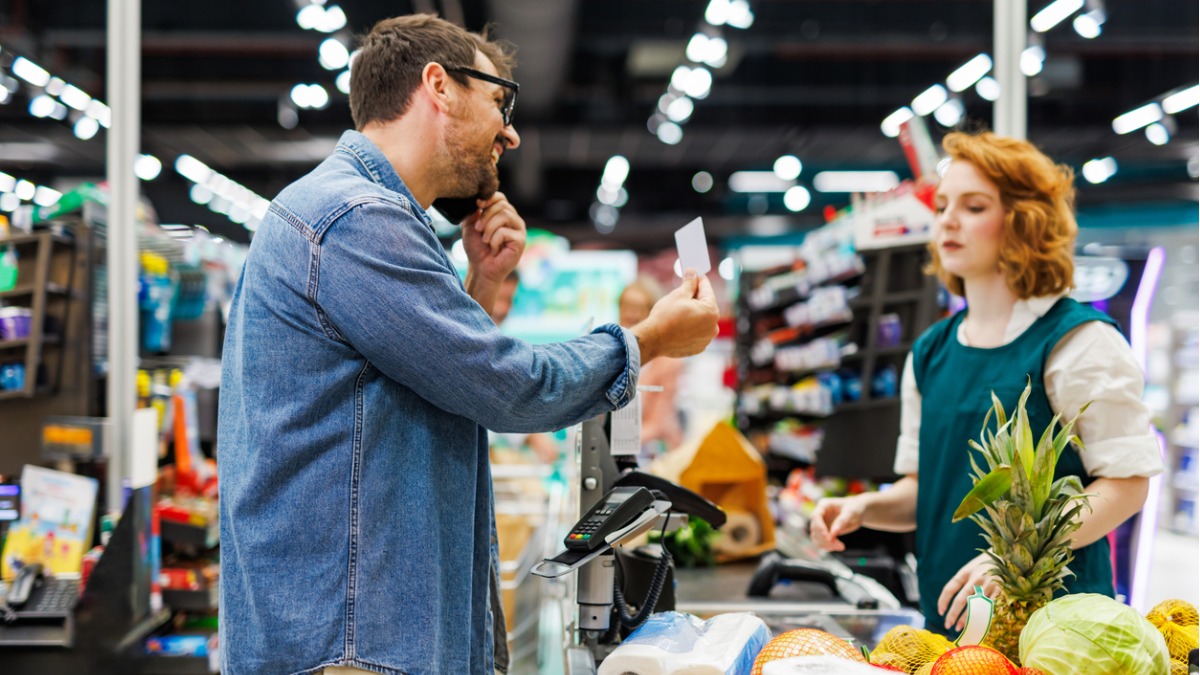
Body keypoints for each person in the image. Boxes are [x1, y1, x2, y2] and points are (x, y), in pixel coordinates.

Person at [217, 14, 719, 675]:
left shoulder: (356, 214)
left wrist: (480, 284)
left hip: (353, 636)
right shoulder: (357, 218)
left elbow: (432, 385)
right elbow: (512, 387)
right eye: (498, 101)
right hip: (348, 646)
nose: (508, 132)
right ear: (439, 87)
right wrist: (648, 339)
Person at [808, 131, 1163, 635]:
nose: (948, 219)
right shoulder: (931, 351)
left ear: (1025, 222)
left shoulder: (1077, 342)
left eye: (974, 207)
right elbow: (926, 491)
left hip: (1057, 634)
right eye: (943, 205)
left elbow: (1127, 484)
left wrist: (1016, 554)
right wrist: (863, 507)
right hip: (948, 629)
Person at [620, 277, 686, 454]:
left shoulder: (668, 361)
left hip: (657, 452)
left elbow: (659, 423)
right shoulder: (615, 355)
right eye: (626, 306)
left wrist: (617, 444)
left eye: (638, 307)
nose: (630, 313)